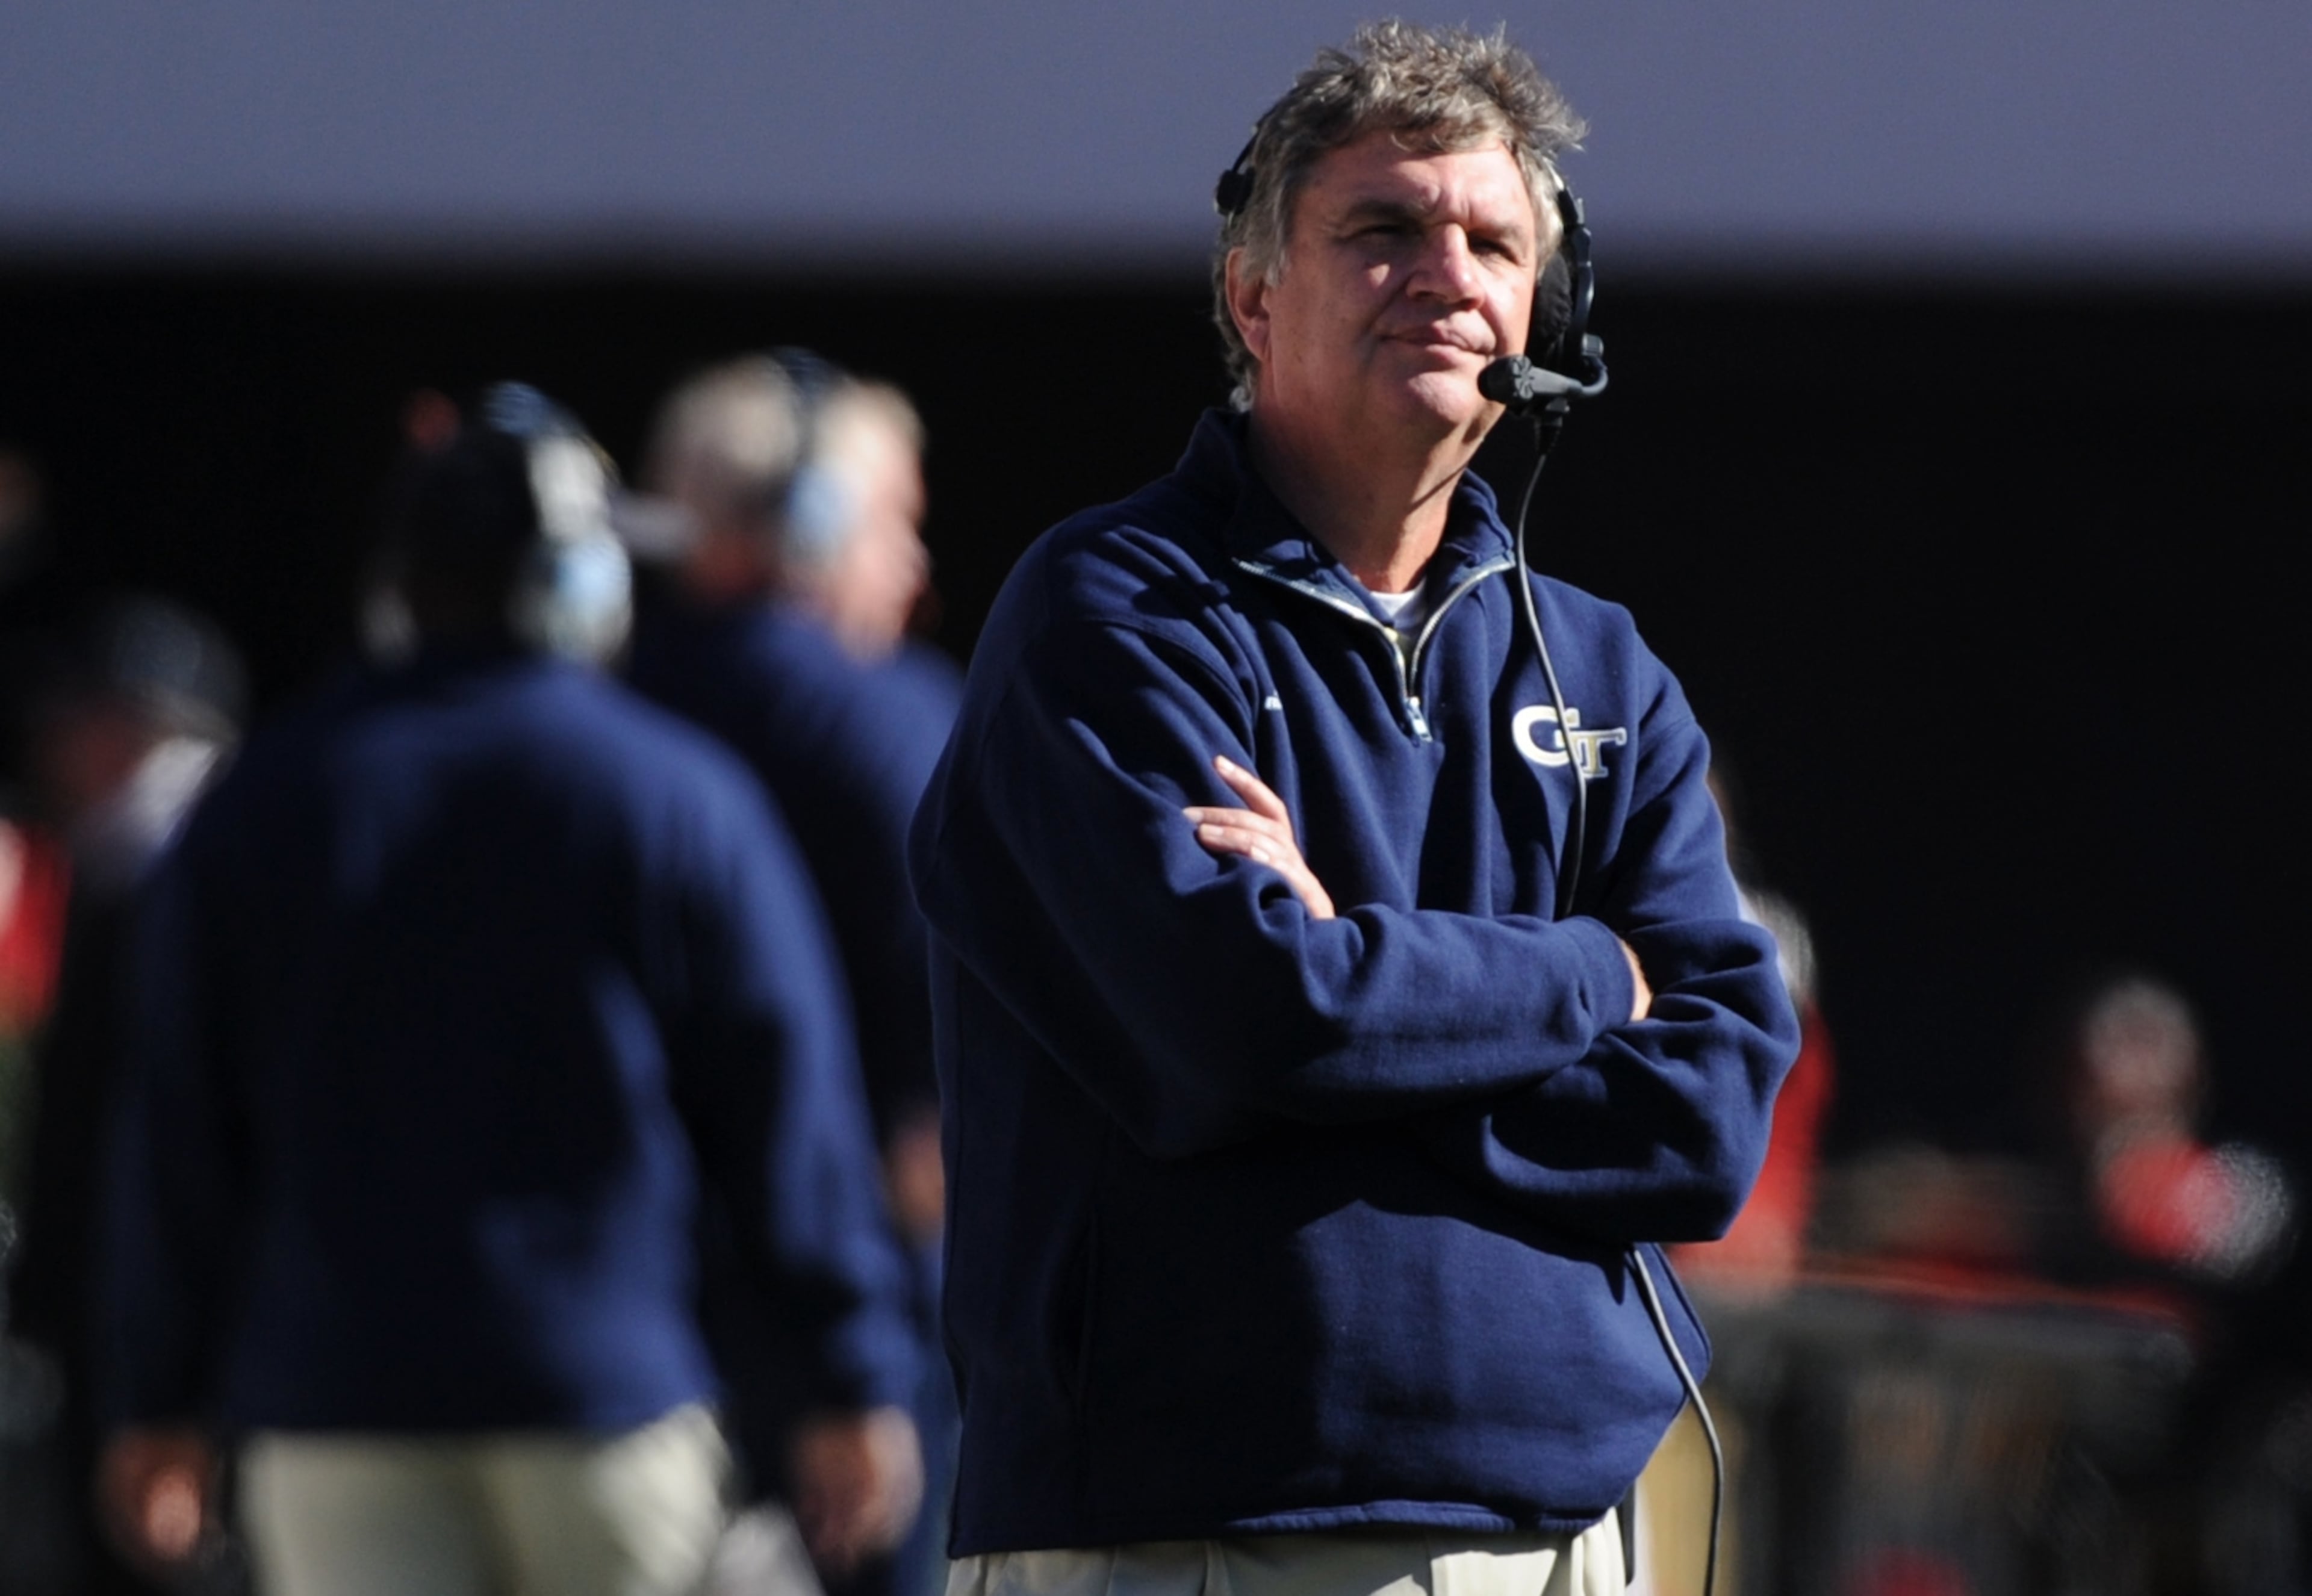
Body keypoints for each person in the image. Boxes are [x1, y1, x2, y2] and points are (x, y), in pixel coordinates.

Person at [908, 23, 1798, 1596]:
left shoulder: (1603, 663)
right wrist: (1592, 975)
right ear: (1252, 300)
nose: (1445, 272)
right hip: (1182, 1534)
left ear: (1547, 306)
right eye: (1383, 232)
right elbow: (1254, 1023)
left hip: (1556, 1533)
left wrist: (1355, 984)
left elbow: (1713, 1108)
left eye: (1490, 239)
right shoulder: (1107, 615)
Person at [96, 387, 922, 1596]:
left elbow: (177, 1129)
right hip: (606, 1411)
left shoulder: (266, 800)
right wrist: (850, 1375)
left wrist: (156, 1395)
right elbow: (784, 1111)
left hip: (336, 1413)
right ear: (580, 583)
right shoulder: (674, 796)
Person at [628, 353, 962, 1596]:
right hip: (859, 1301)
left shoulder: (601, 700)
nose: (915, 568)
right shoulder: (891, 721)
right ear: (812, 523)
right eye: (897, 524)